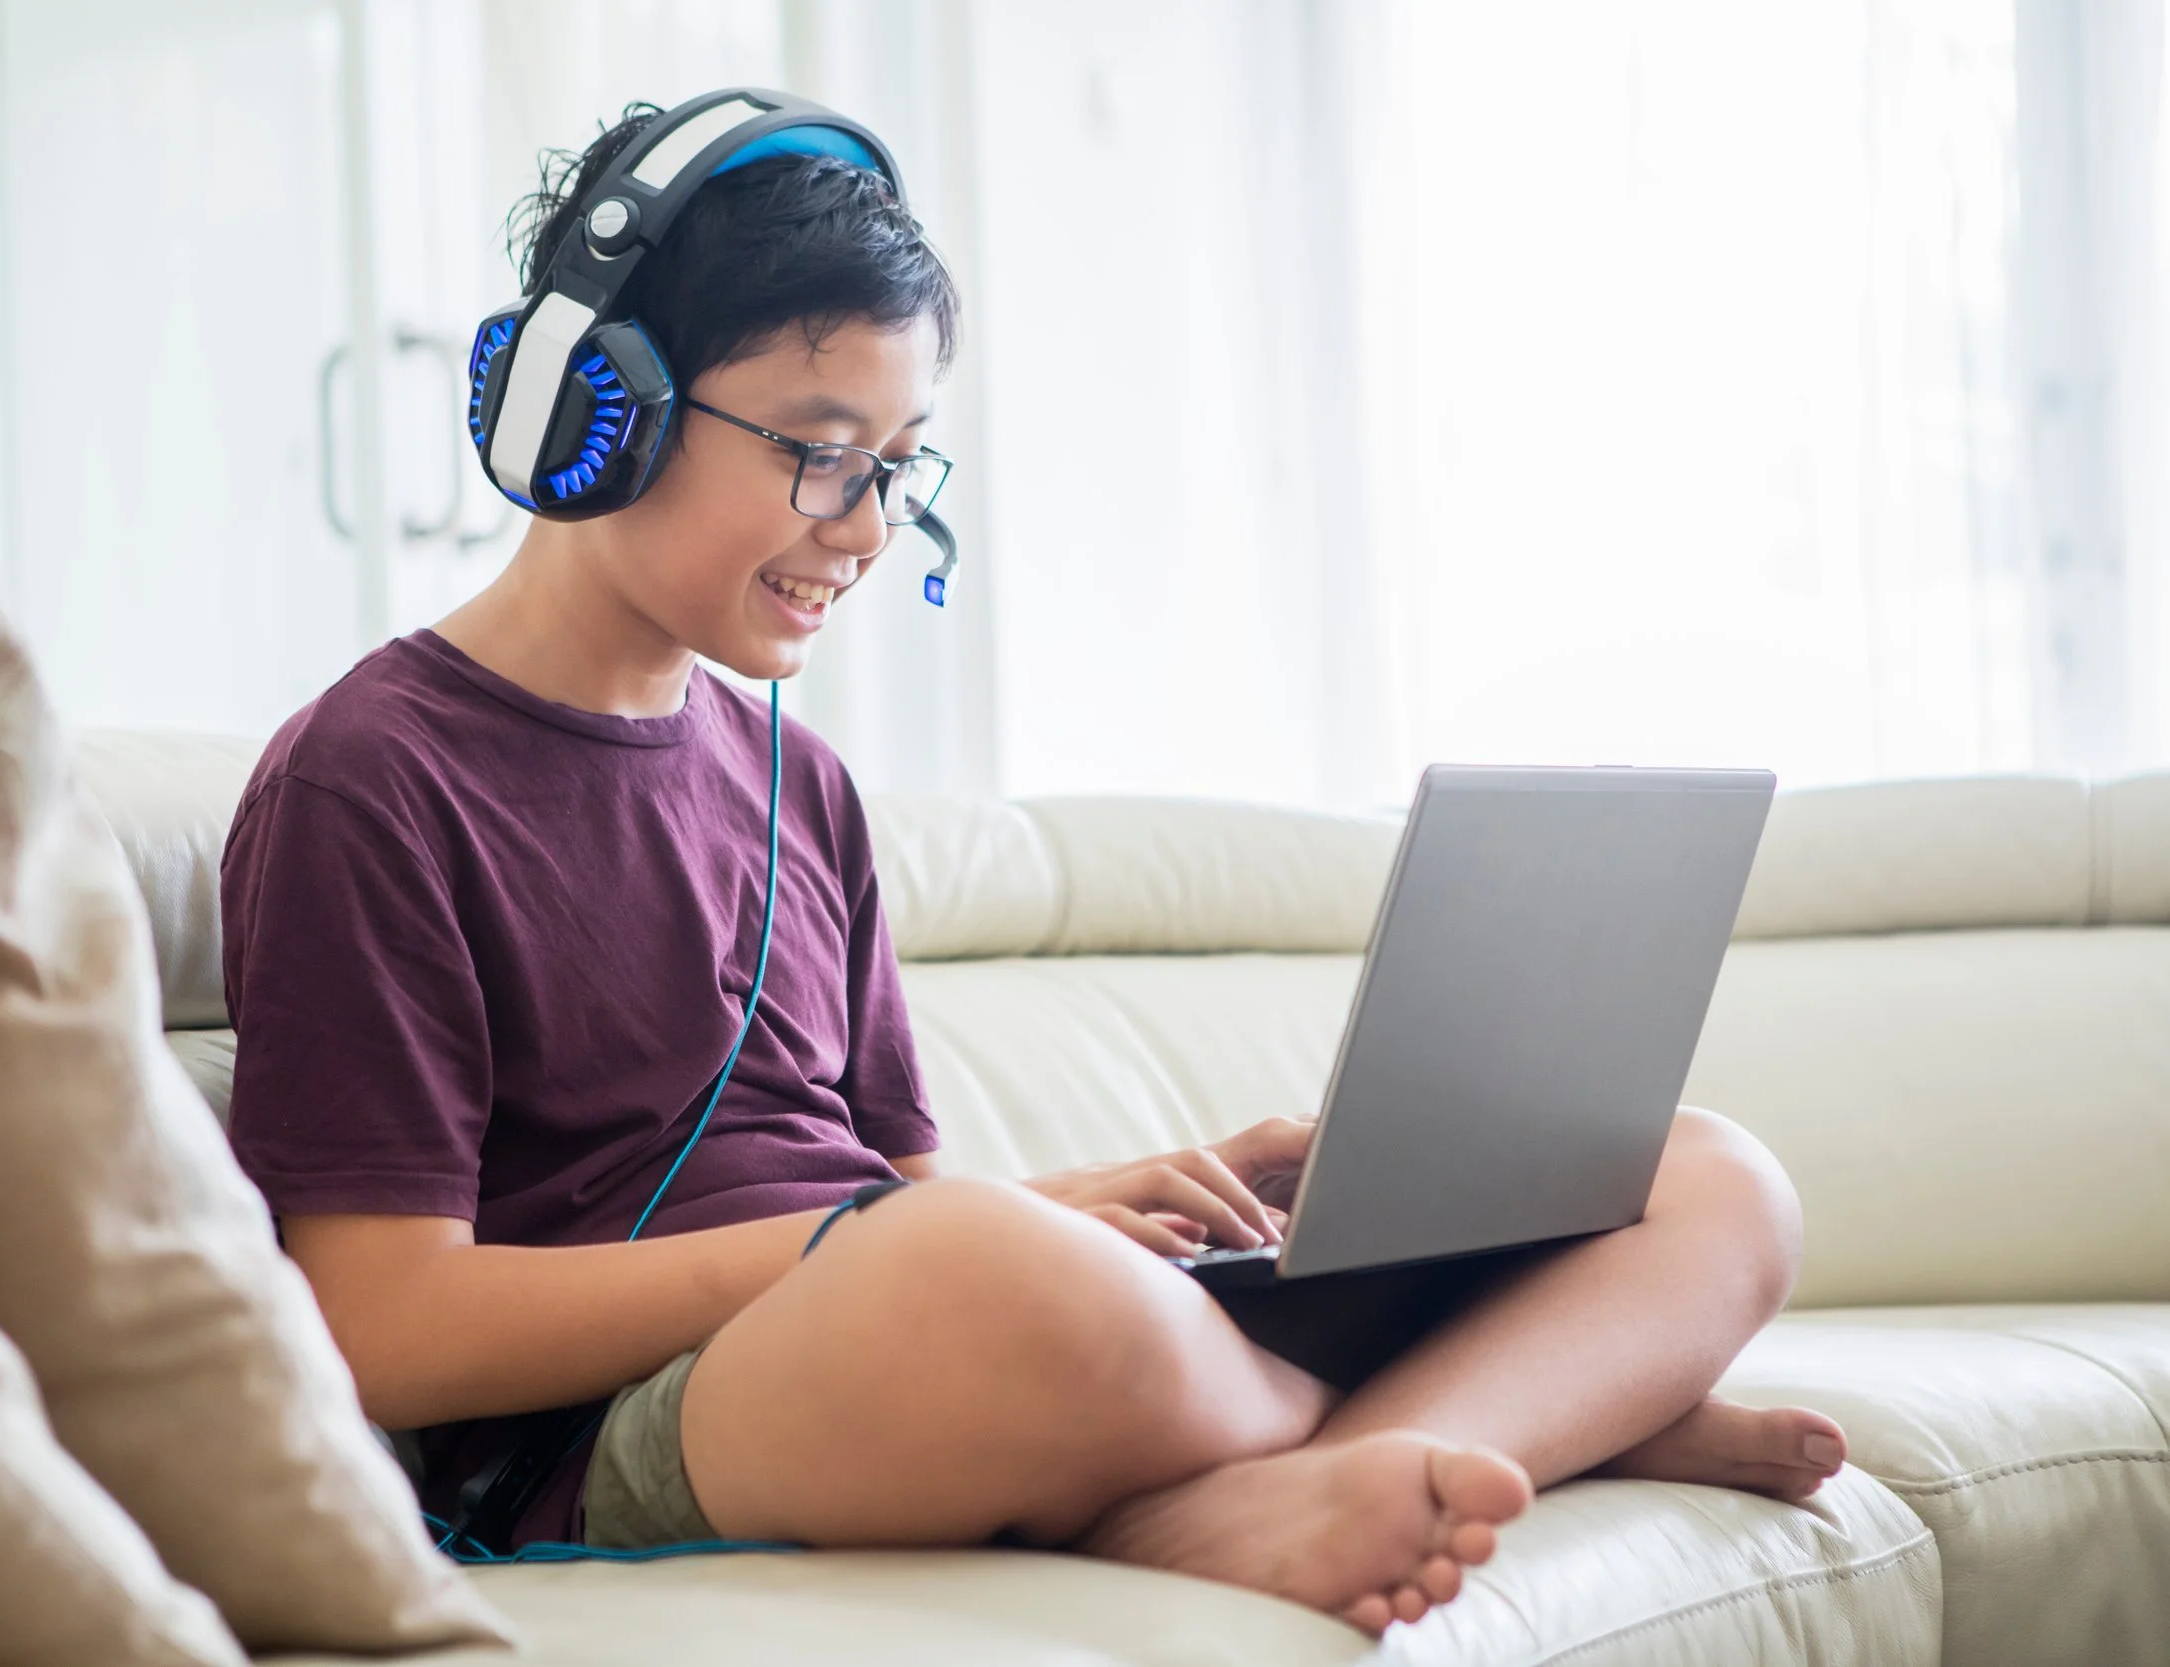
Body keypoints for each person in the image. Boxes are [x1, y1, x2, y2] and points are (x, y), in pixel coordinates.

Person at [220, 99, 1848, 1637]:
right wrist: (874, 1243)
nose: (863, 530)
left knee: (1709, 1178)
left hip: (913, 1300)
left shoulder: (802, 783)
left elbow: (898, 1187)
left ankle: (1328, 1461)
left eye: (897, 465)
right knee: (971, 1272)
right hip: (639, 1426)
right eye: (820, 451)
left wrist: (1114, 1202)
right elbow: (384, 1326)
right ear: (597, 414)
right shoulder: (372, 780)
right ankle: (1530, 1408)